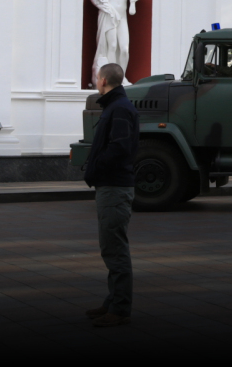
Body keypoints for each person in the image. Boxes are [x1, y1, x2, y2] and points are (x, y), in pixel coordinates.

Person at [83, 63, 139, 328]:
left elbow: (119, 148)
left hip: (114, 187)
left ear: (103, 80)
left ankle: (119, 309)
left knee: (115, 249)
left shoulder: (118, 109)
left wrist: (97, 167)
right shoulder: (116, 106)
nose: (96, 81)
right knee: (111, 247)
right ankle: (112, 301)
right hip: (111, 185)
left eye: (97, 77)